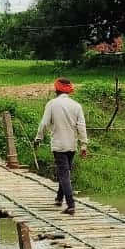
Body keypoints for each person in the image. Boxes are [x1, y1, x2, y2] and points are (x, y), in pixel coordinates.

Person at [33, 78, 88, 215]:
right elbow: (81, 126)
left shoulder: (52, 104)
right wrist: (84, 144)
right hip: (72, 145)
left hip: (58, 145)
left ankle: (71, 204)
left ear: (56, 90)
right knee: (65, 171)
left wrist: (38, 138)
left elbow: (44, 123)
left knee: (64, 174)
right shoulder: (76, 106)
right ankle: (59, 198)